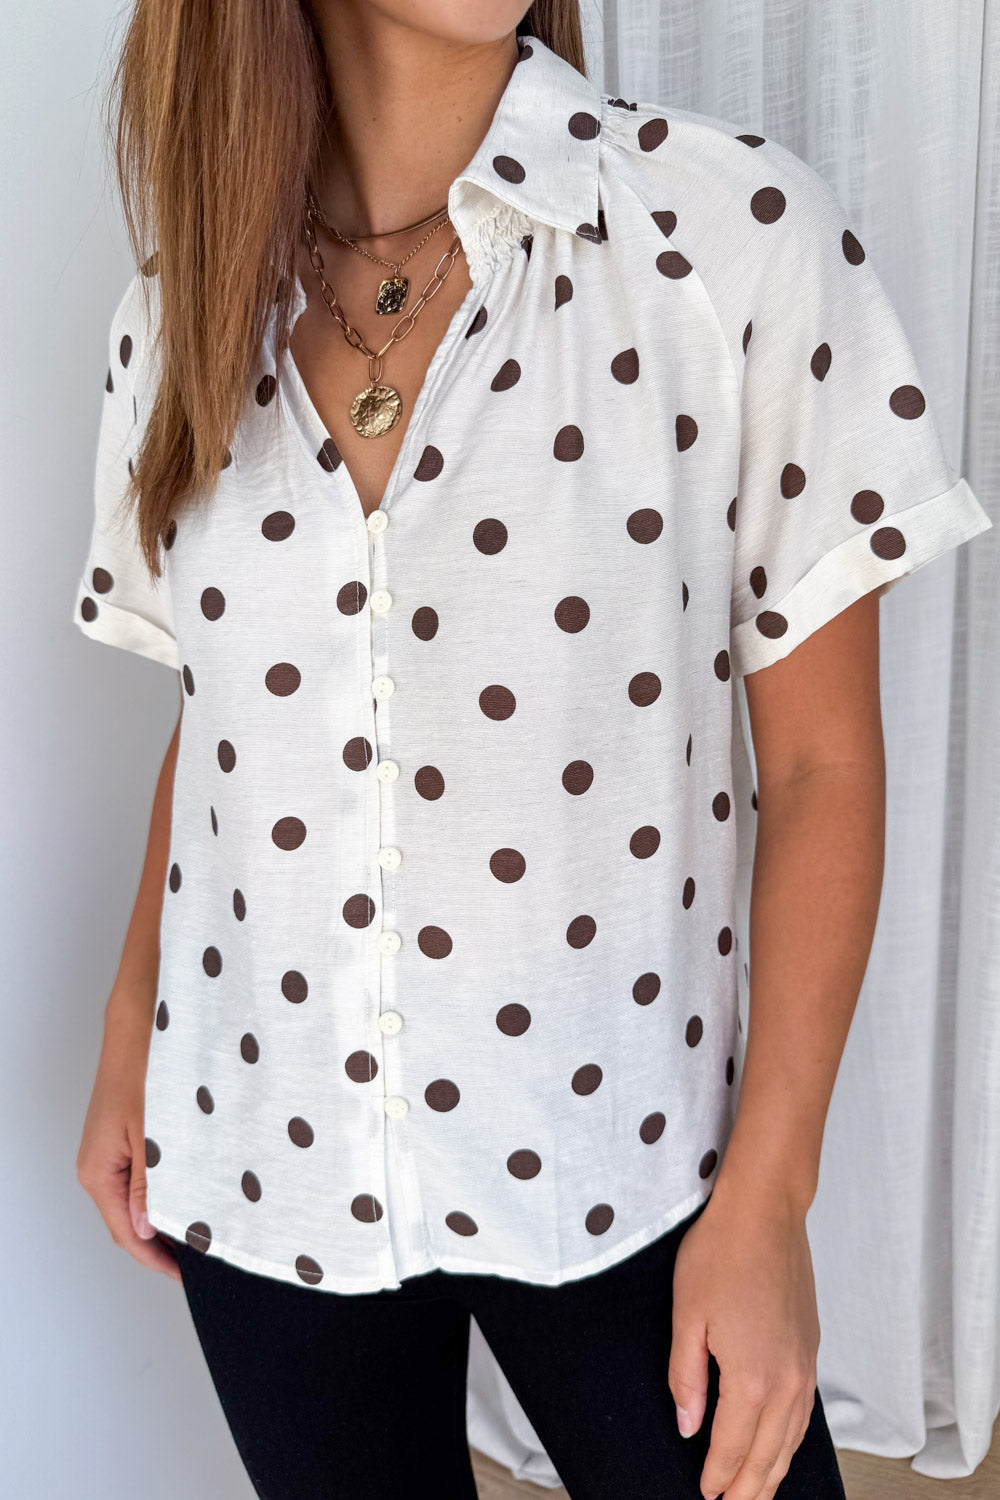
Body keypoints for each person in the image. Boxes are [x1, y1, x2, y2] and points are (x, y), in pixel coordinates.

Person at [73, 2, 992, 1498]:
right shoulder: (179, 313)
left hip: (628, 1155)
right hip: (264, 1138)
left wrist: (769, 1198)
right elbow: (231, 715)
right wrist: (133, 1026)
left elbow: (821, 766)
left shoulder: (724, 237)